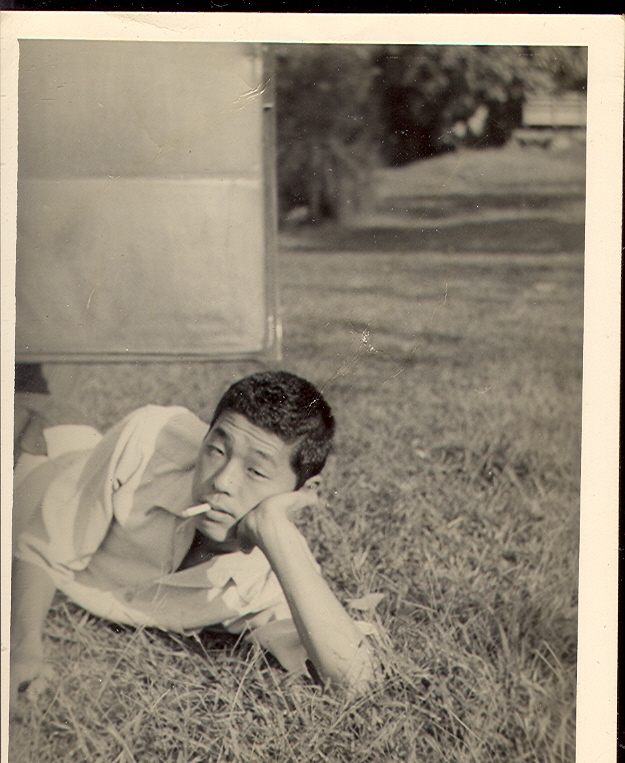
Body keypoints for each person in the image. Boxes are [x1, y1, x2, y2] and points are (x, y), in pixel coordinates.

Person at [10, 371, 374, 704]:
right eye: (216, 450)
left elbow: (353, 679)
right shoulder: (148, 439)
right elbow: (42, 548)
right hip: (36, 448)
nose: (222, 481)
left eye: (256, 471)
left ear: (303, 493)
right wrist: (24, 648)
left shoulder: (277, 574)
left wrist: (272, 525)